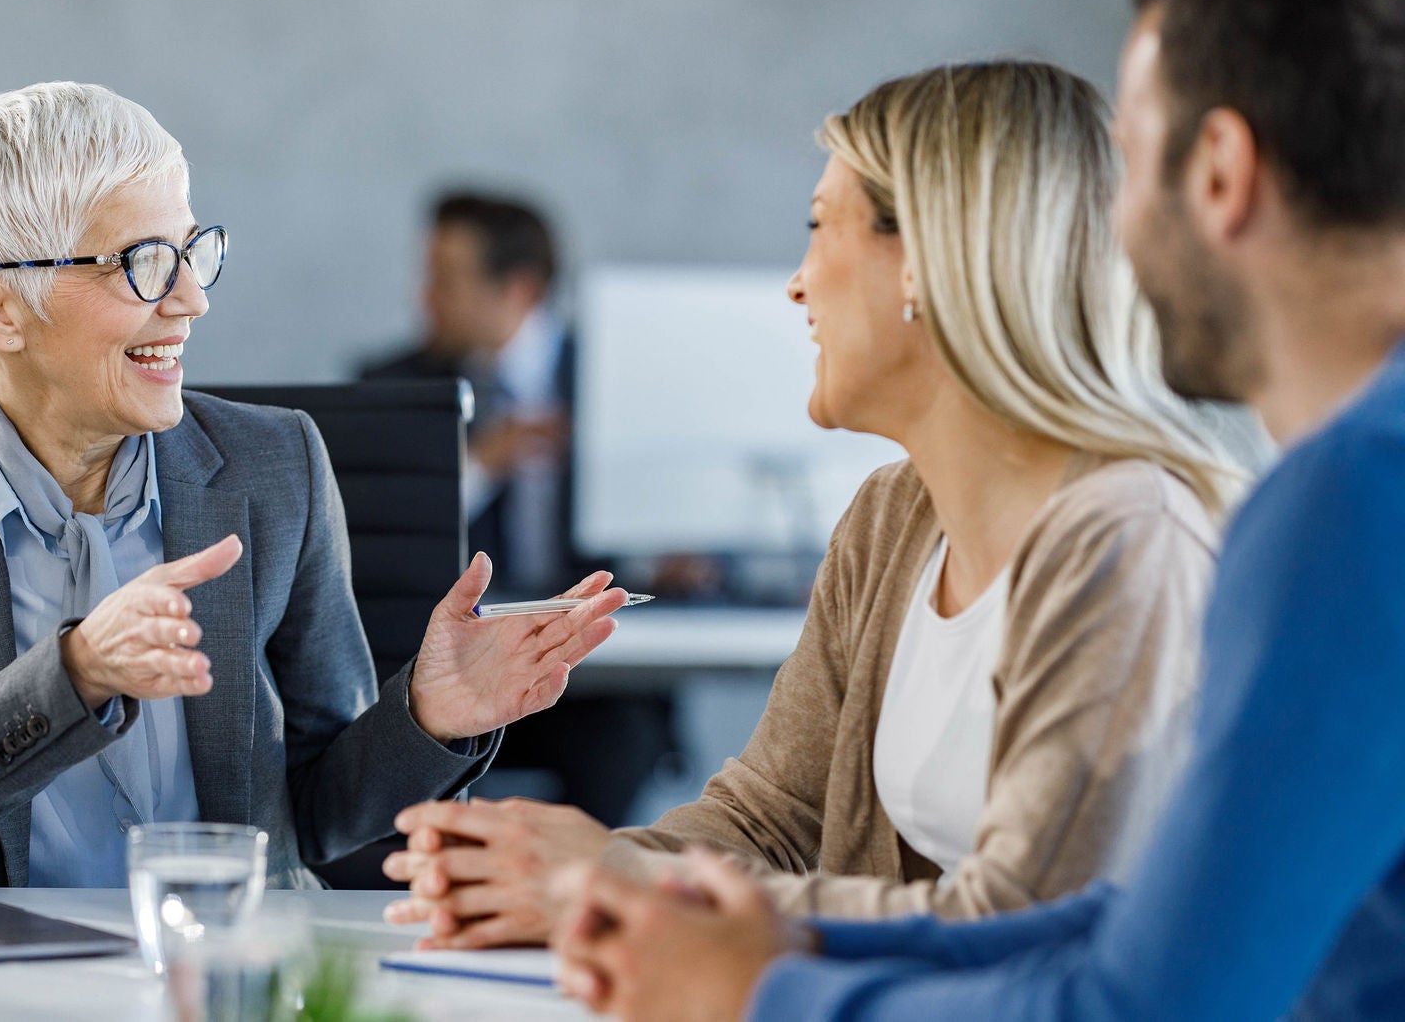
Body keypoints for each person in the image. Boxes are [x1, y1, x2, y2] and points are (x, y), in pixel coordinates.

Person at [551, 0, 1405, 1022]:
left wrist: (765, 994)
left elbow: (1134, 1007)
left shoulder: (1344, 504)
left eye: (1131, 165)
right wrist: (750, 931)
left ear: (1216, 172)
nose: (1108, 234)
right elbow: (1141, 922)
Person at [387, 60, 1241, 948]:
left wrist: (620, 883)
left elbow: (1027, 918)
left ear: (926, 263)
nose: (797, 283)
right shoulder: (892, 518)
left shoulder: (1128, 539)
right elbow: (770, 818)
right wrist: (545, 880)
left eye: (820, 227)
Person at [0, 83, 630, 892]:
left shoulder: (276, 465)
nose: (191, 299)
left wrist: (427, 718)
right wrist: (72, 674)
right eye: (143, 263)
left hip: (229, 963)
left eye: (191, 252)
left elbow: (320, 812)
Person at [361, 192, 672, 826]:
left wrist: (672, 548)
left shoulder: (624, 375)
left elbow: (683, 507)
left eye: (445, 278)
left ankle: (580, 898)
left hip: (600, 674)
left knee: (619, 744)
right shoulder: (395, 385)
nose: (425, 298)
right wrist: (481, 466)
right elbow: (373, 530)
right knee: (405, 736)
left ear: (519, 289)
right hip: (461, 664)